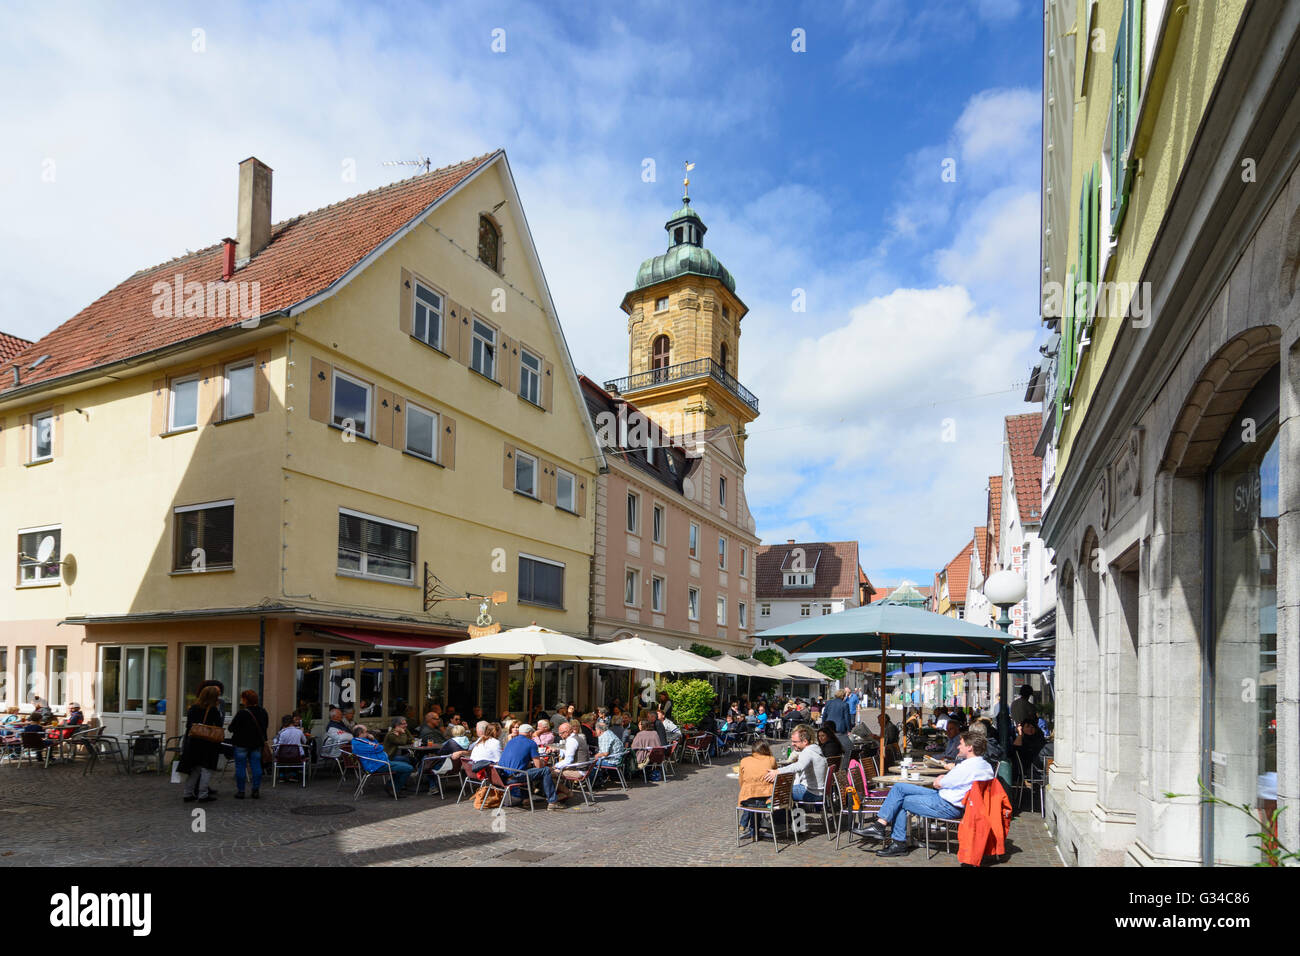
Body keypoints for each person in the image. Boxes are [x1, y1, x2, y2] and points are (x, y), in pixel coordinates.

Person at [861, 732, 995, 857]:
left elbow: (941, 783)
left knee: (899, 800)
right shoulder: (985, 766)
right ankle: (880, 826)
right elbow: (950, 781)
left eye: (961, 744)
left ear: (970, 747)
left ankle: (898, 843)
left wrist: (941, 779)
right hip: (946, 798)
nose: (958, 746)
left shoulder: (967, 767)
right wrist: (944, 778)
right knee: (899, 788)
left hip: (946, 805)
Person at [496, 724, 564, 809]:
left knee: (529, 770)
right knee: (545, 770)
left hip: (503, 776)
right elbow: (539, 766)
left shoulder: (511, 741)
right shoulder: (531, 743)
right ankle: (553, 802)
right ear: (530, 733)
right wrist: (543, 762)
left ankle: (526, 798)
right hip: (515, 777)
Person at [179, 685, 224, 803]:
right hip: (208, 743)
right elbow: (218, 725)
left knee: (195, 769)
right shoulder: (213, 709)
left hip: (194, 742)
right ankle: (203, 794)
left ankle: (188, 793)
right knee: (206, 769)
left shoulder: (193, 708)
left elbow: (189, 725)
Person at [762, 723, 827, 803]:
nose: (792, 744)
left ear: (805, 741)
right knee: (781, 789)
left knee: (776, 791)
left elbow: (799, 766)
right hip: (819, 792)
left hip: (812, 793)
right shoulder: (815, 749)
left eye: (795, 742)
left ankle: (766, 809)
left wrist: (777, 771)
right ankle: (786, 813)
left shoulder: (807, 752)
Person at [227, 691, 269, 799]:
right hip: (256, 743)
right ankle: (255, 790)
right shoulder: (263, 712)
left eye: (242, 699)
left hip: (241, 743)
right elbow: (265, 727)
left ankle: (241, 791)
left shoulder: (242, 713)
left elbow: (231, 728)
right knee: (256, 766)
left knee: (240, 767)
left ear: (245, 700)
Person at [351, 724, 414, 796]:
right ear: (360, 733)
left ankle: (391, 786)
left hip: (381, 762)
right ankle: (394, 789)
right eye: (366, 731)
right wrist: (379, 747)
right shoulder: (358, 743)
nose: (368, 733)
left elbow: (376, 746)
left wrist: (373, 739)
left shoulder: (362, 740)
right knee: (408, 768)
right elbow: (379, 748)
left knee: (405, 764)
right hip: (376, 765)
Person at [737, 740, 779, 838]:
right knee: (757, 799)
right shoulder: (771, 759)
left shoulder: (744, 760)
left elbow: (741, 781)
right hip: (767, 800)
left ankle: (749, 828)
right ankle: (753, 831)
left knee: (751, 799)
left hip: (747, 799)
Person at [593, 719, 625, 788]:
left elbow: (605, 753)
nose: (595, 731)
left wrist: (596, 756)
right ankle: (600, 779)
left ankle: (595, 782)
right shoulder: (609, 732)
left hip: (613, 761)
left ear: (599, 730)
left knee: (591, 763)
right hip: (617, 759)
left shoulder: (605, 736)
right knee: (594, 760)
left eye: (596, 730)